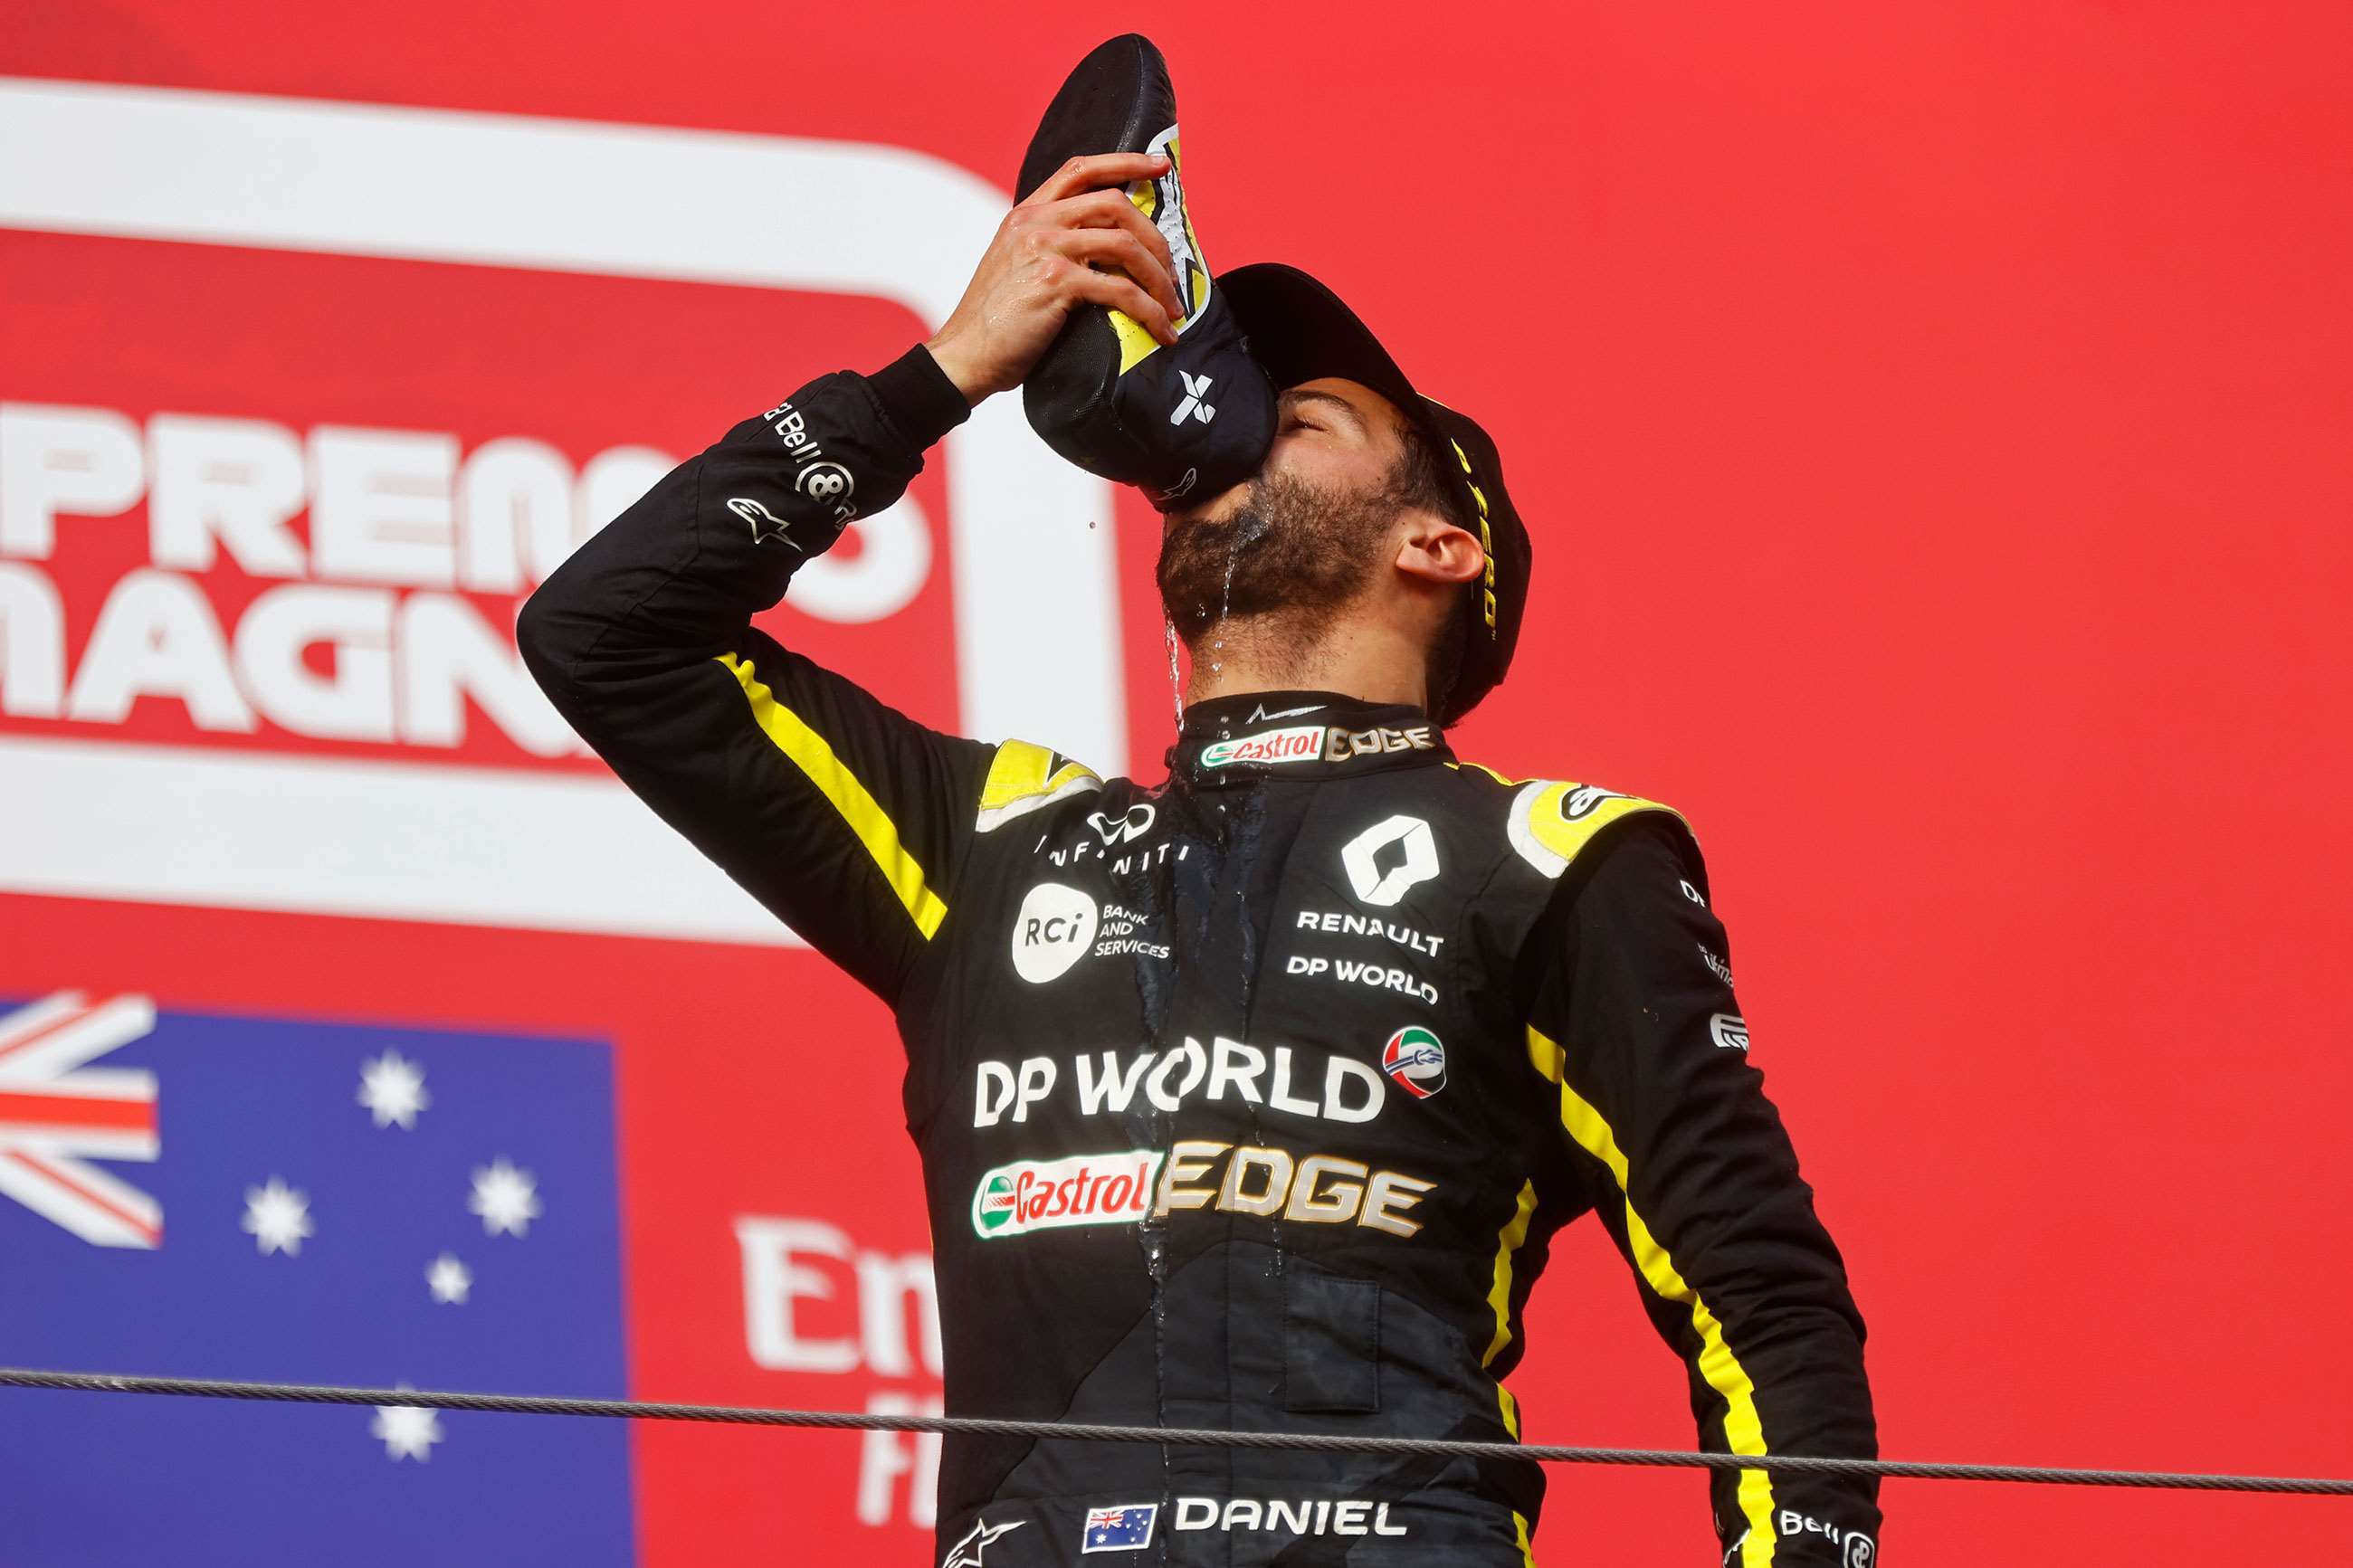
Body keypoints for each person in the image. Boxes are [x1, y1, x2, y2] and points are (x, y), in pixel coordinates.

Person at [519, 150, 1881, 1567]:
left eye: (1297, 419)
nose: (1228, 434)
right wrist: (944, 371)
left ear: (1440, 545)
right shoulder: (997, 847)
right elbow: (605, 636)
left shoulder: (1551, 861)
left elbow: (1761, 1297)